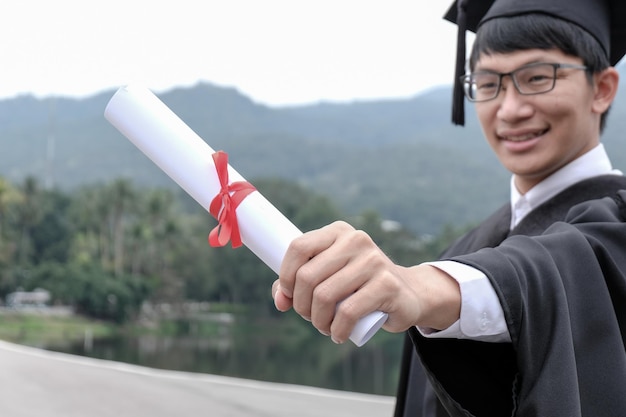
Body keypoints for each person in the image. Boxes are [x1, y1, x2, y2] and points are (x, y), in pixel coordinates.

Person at [272, 0, 626, 415]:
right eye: (489, 84)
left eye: (537, 78)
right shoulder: (464, 250)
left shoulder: (612, 227)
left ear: (601, 89)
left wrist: (421, 288)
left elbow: (557, 269)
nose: (510, 110)